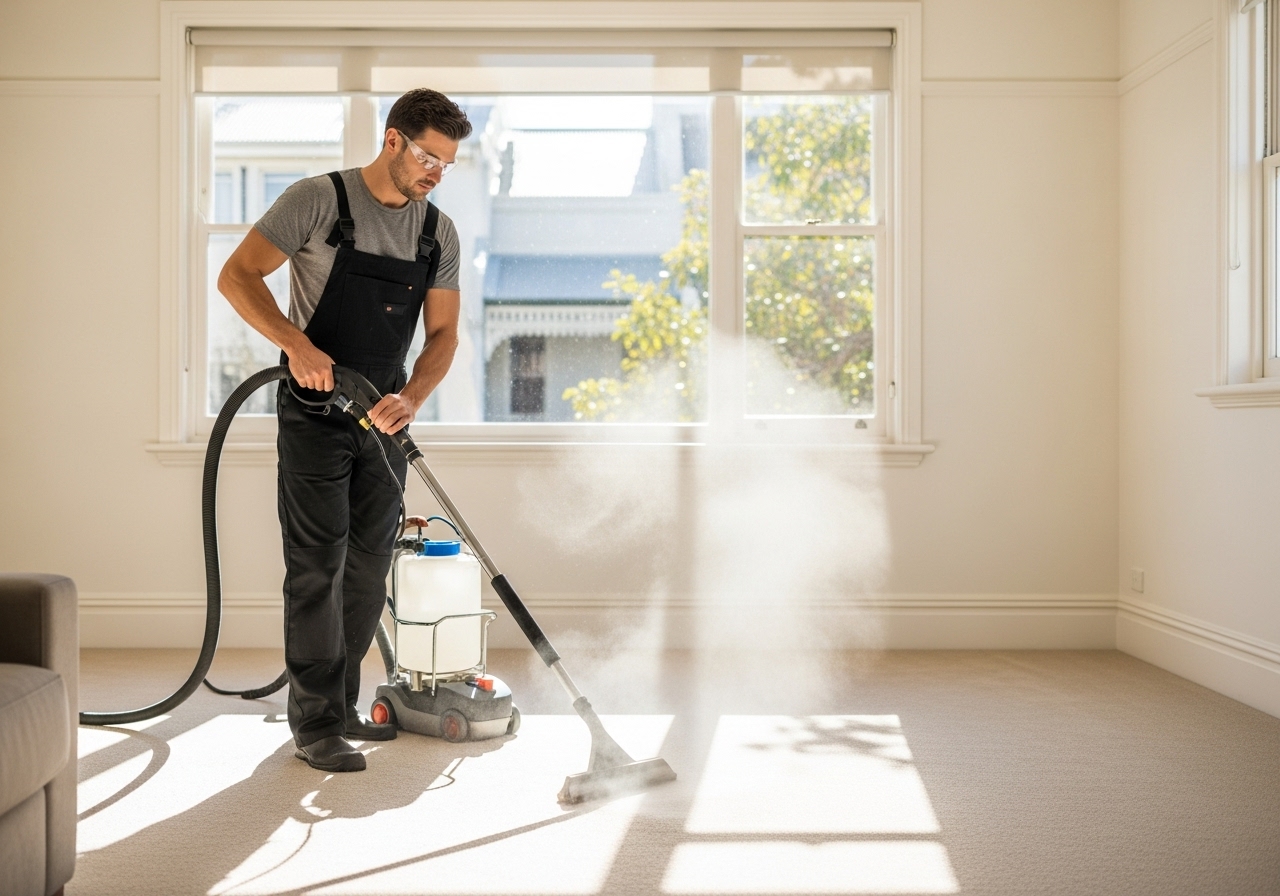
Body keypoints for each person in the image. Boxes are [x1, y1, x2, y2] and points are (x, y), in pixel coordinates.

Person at [217, 89, 471, 772]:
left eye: (447, 163)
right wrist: (295, 344)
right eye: (427, 156)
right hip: (315, 410)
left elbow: (444, 334)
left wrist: (413, 397)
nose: (435, 173)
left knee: (368, 567)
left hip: (384, 416)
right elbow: (237, 277)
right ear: (392, 141)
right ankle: (314, 722)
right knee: (317, 564)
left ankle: (344, 703)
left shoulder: (436, 231)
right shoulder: (316, 201)